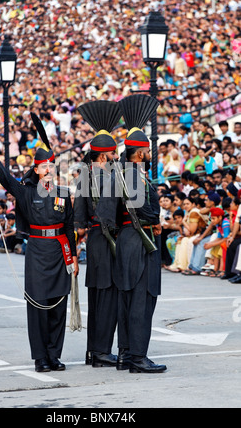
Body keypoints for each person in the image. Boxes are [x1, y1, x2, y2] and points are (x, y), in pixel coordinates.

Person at [0, 113, 78, 373]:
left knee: (58, 305)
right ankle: (40, 358)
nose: (49, 171)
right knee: (38, 307)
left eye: (52, 167)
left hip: (59, 253)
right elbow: (5, 179)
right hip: (36, 252)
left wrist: (75, 257)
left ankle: (54, 355)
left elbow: (69, 227)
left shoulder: (63, 194)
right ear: (36, 170)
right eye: (44, 167)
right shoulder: (26, 193)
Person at [96, 94, 167, 373]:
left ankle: (126, 353)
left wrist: (121, 232)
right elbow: (147, 212)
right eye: (148, 150)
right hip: (139, 242)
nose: (151, 154)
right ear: (140, 153)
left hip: (127, 241)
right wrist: (156, 221)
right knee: (141, 300)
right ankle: (138, 357)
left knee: (127, 300)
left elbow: (104, 215)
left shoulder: (119, 174)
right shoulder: (134, 175)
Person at [74, 100, 121, 368]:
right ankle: (102, 351)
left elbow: (78, 219)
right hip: (105, 240)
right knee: (107, 296)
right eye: (113, 154)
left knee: (97, 296)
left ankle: (95, 350)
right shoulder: (107, 177)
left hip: (93, 241)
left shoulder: (83, 175)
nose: (116, 158)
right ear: (103, 156)